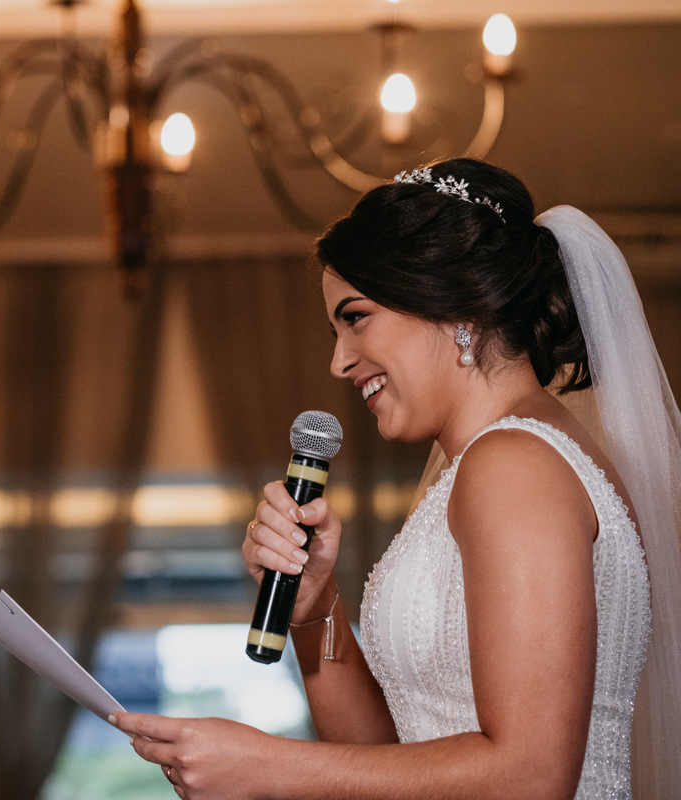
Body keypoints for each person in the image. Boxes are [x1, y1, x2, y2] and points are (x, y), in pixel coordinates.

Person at [111, 158, 681, 799]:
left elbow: (531, 777)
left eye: (355, 318)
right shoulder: (490, 464)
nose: (339, 361)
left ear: (452, 300)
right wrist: (315, 606)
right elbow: (388, 760)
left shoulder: (513, 465)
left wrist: (268, 766)